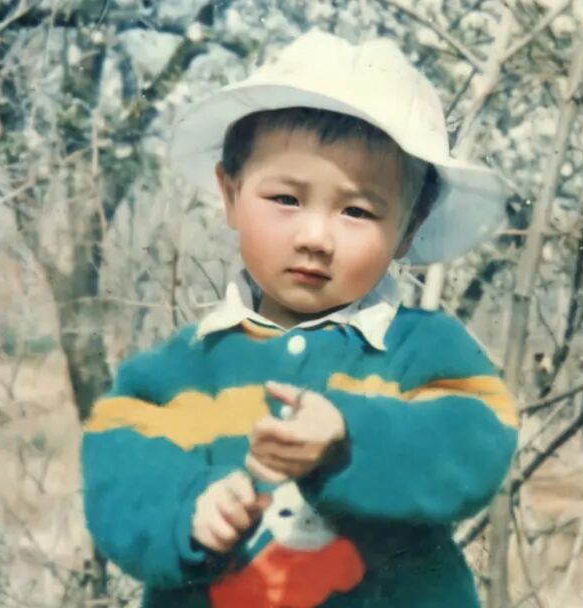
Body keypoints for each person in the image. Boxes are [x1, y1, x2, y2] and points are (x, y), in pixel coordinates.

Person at [81, 29, 519, 607]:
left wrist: (347, 440)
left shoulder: (425, 353)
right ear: (230, 194)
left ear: (409, 227)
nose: (315, 237)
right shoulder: (181, 371)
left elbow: (475, 446)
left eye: (357, 210)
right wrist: (189, 509)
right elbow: (119, 472)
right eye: (285, 199)